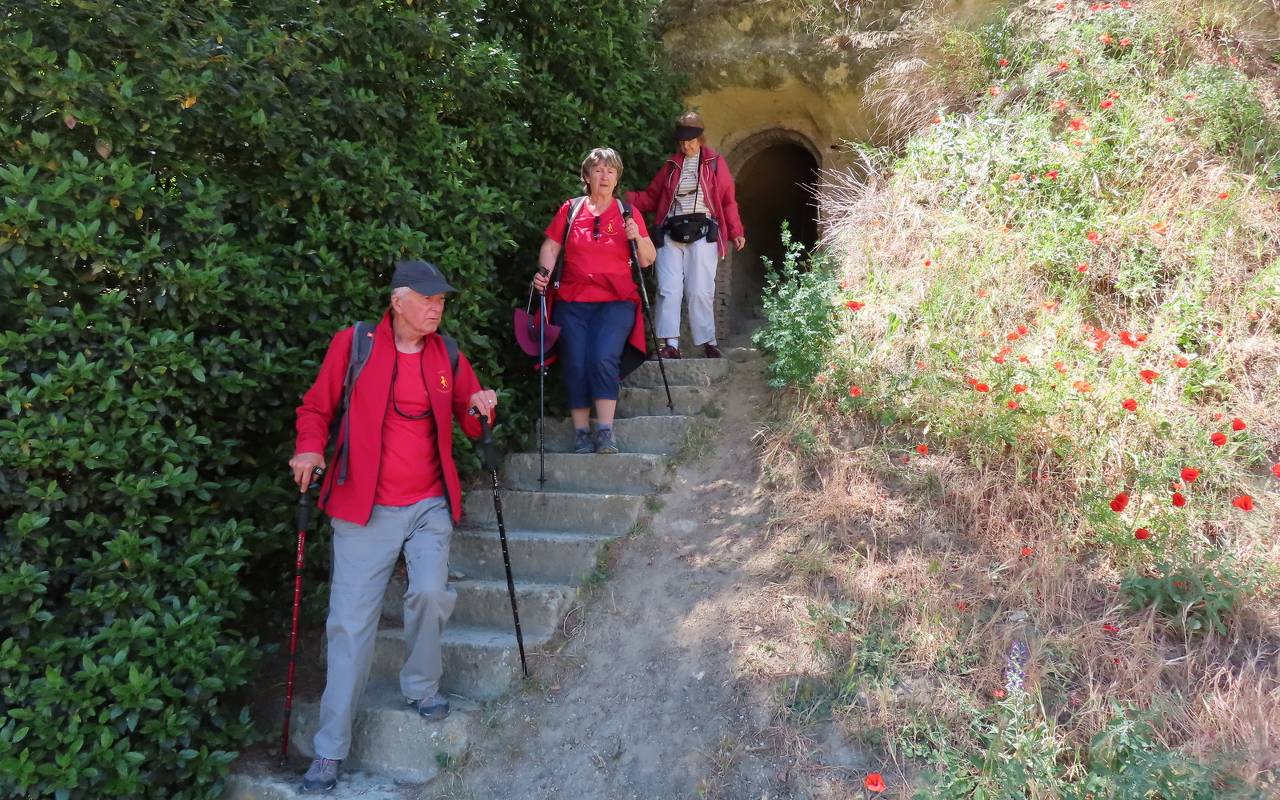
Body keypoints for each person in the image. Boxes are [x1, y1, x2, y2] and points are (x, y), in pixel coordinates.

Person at [287, 260, 498, 794]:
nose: (436, 308)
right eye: (427, 299)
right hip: (363, 506)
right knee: (349, 626)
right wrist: (310, 447)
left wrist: (481, 407)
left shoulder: (447, 354)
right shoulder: (354, 345)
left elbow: (471, 421)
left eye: (442, 301)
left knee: (429, 593)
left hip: (428, 503)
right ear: (398, 301)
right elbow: (316, 407)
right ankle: (330, 751)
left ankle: (422, 686)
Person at [532, 147, 656, 455]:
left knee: (602, 356)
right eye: (598, 170)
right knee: (574, 362)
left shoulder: (628, 213)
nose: (604, 176)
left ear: (617, 178)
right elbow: (551, 245)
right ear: (586, 176)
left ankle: (605, 432)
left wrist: (637, 236)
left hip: (616, 300)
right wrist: (543, 273)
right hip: (572, 300)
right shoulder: (571, 209)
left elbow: (647, 259)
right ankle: (581, 433)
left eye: (610, 171)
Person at [627, 111, 745, 359]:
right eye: (682, 141)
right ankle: (670, 345)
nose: (686, 145)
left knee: (700, 290)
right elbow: (651, 197)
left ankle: (708, 342)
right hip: (671, 232)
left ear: (700, 139)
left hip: (703, 232)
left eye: (691, 140)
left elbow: (727, 200)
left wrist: (736, 230)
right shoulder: (671, 166)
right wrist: (623, 199)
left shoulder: (715, 162)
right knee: (668, 290)